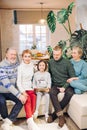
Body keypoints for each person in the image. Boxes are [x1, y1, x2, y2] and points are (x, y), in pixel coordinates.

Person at [47, 45, 76, 127]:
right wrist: (49, 85)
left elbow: (72, 76)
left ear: (61, 53)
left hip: (66, 84)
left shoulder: (67, 62)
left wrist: (65, 86)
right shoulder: (50, 62)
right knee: (51, 93)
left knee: (70, 93)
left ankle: (53, 115)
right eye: (54, 54)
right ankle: (61, 116)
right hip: (55, 84)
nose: (55, 56)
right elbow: (49, 75)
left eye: (58, 54)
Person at [0, 47, 27, 130]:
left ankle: (9, 120)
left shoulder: (17, 64)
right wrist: (19, 95)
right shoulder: (1, 66)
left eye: (15, 54)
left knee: (22, 100)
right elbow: (7, 84)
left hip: (12, 91)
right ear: (6, 55)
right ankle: (5, 118)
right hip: (1, 91)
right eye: (11, 54)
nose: (13, 56)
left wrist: (22, 92)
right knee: (1, 101)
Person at [17, 49, 39, 130]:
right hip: (23, 88)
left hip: (30, 88)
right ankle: (30, 121)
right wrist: (23, 92)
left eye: (29, 56)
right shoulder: (20, 67)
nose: (27, 58)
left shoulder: (32, 66)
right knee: (28, 99)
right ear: (22, 57)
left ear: (31, 58)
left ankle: (31, 117)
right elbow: (18, 82)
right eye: (25, 56)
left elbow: (36, 75)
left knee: (34, 97)